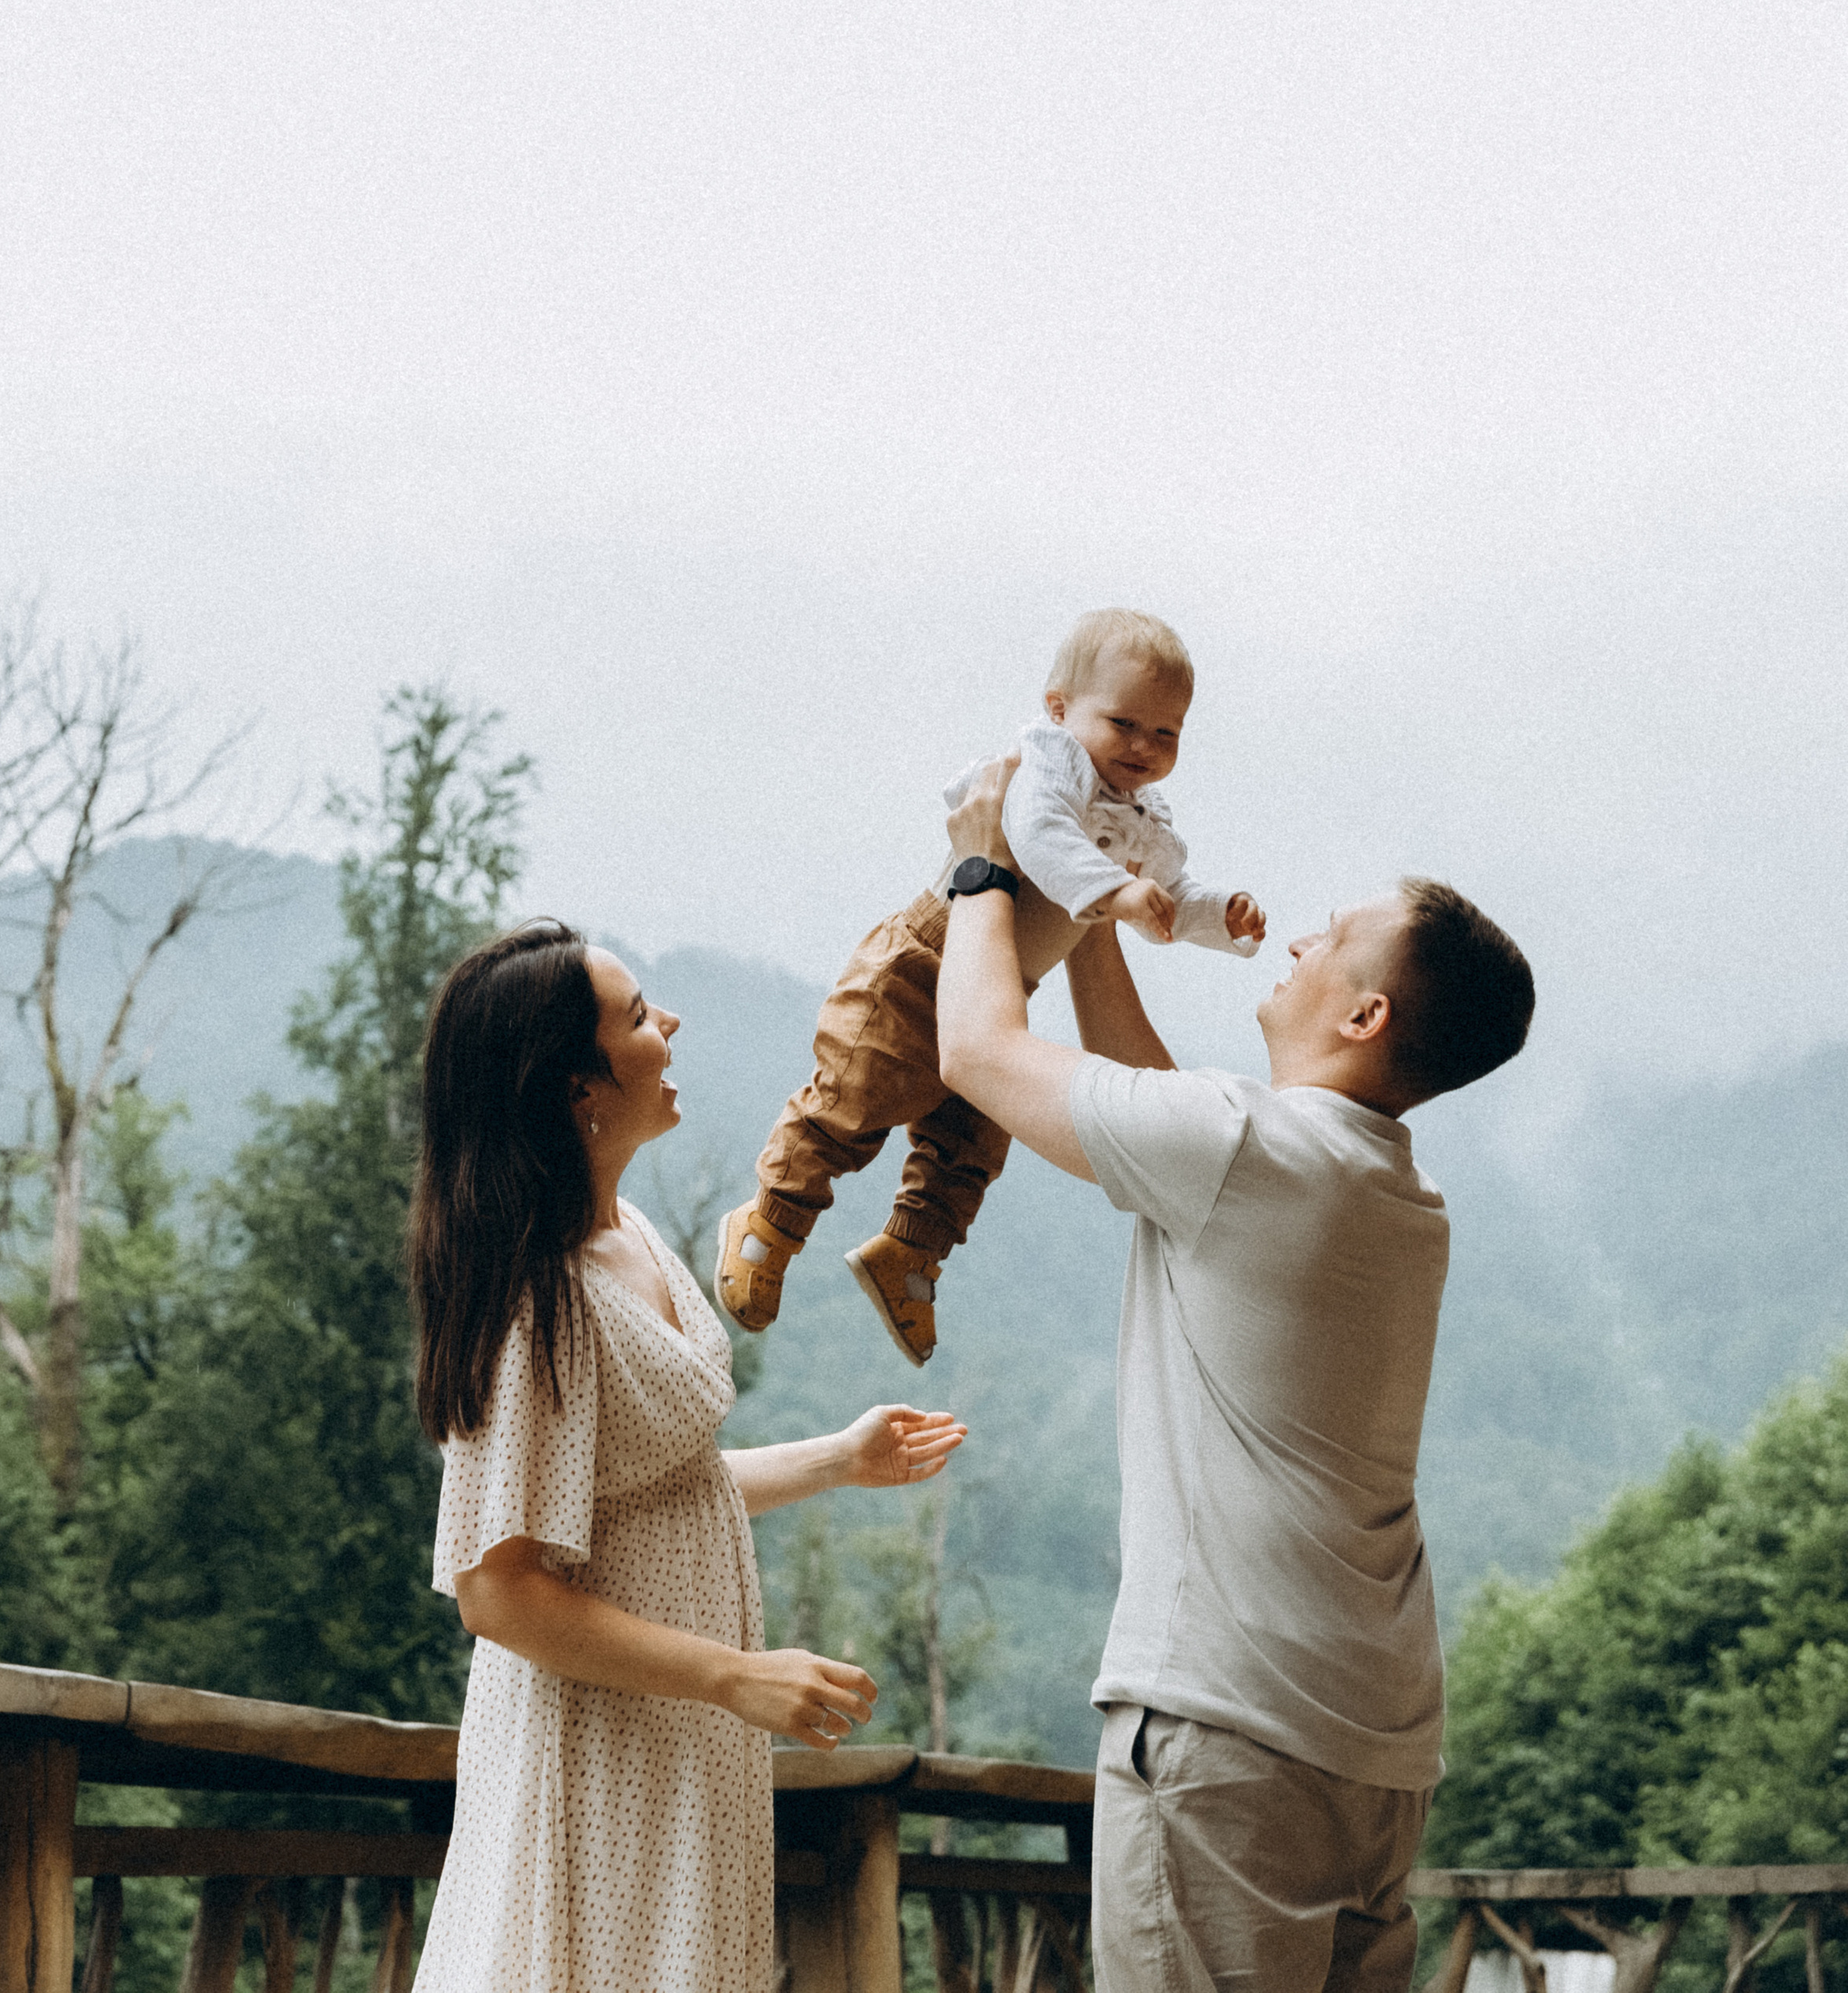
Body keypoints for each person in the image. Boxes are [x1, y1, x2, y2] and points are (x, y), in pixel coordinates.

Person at [933, 760, 1535, 1993]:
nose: (1301, 939)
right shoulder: (1397, 1196)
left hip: (1231, 1724)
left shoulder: (1247, 1152)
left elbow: (978, 1052)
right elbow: (1165, 1116)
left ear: (1365, 1015)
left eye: (1333, 939)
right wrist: (1096, 907)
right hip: (1375, 1749)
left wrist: (984, 865)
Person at [408, 919, 965, 1993]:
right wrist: (734, 1676)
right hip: (597, 1754)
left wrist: (838, 1459)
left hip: (679, 1743)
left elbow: (652, 1493)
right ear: (578, 1086)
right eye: (635, 1016)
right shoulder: (535, 1299)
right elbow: (498, 1590)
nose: (669, 1022)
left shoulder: (630, 1235)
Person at [715, 607, 1265, 1364]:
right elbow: (1041, 838)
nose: (1143, 747)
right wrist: (1117, 891)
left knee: (969, 1145)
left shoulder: (1144, 817)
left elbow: (1170, 893)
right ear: (1059, 709)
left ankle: (910, 1256)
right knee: (853, 1101)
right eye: (1124, 724)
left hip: (1003, 989)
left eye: (1165, 733)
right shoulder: (1046, 767)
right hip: (924, 961)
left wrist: (1220, 916)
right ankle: (771, 1220)